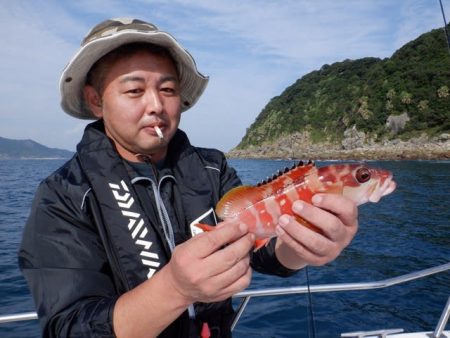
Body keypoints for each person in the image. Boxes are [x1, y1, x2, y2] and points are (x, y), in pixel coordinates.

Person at [19, 18, 359, 338]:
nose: (156, 105)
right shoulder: (62, 195)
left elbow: (264, 251)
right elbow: (69, 326)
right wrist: (176, 290)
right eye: (134, 91)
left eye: (167, 89)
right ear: (96, 101)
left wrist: (306, 245)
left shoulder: (212, 168)